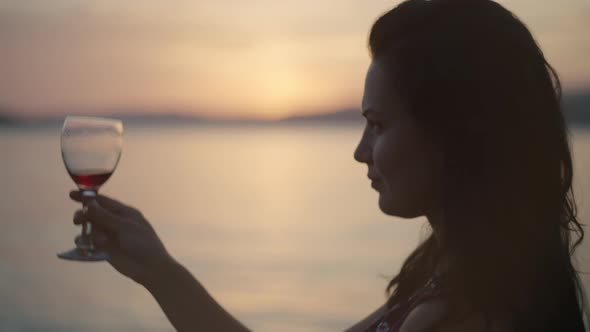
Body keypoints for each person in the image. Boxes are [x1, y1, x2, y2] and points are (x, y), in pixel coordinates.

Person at [69, 0, 588, 331]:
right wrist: (161, 272)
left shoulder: (455, 317)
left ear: (453, 134)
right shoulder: (452, 273)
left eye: (378, 125)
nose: (360, 151)